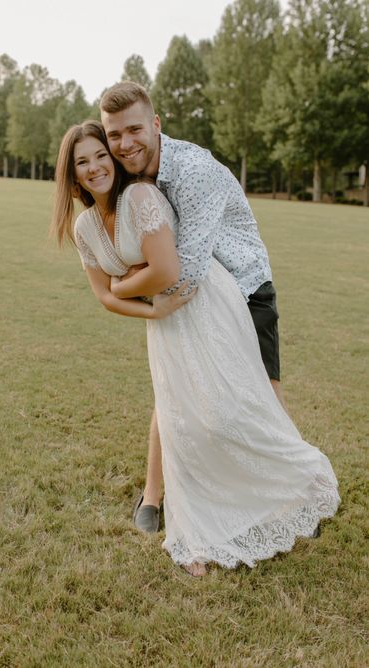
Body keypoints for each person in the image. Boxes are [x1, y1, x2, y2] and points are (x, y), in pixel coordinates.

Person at [51, 120, 339, 577]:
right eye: (82, 161)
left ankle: (297, 484)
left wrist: (128, 287)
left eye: (101, 155)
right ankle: (181, 514)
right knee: (179, 409)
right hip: (164, 318)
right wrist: (150, 311)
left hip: (210, 295)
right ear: (70, 172)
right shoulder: (87, 225)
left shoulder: (148, 193)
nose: (96, 166)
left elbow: (167, 271)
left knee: (237, 405)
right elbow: (104, 296)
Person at [99, 82, 288, 534]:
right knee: (173, 388)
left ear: (156, 124)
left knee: (265, 395)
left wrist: (119, 289)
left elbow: (186, 271)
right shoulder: (125, 171)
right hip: (183, 298)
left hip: (243, 286)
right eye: (114, 135)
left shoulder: (194, 170)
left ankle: (287, 493)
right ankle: (152, 495)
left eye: (134, 130)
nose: (125, 144)